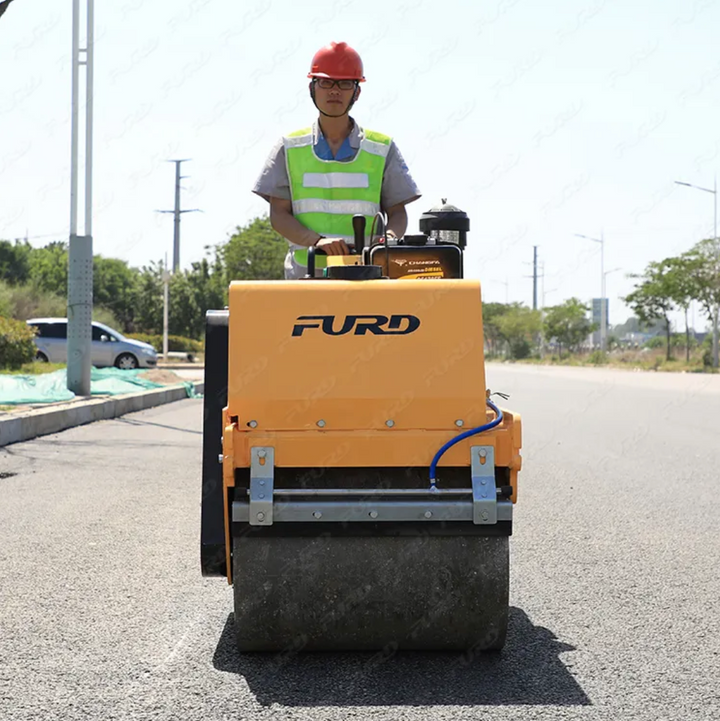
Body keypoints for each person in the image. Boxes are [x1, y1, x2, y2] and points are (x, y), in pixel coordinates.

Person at [252, 41, 421, 278]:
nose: (334, 91)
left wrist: (389, 240)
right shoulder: (288, 147)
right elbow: (278, 215)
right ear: (312, 88)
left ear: (357, 92)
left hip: (369, 276)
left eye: (344, 83)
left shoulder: (382, 148)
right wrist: (318, 241)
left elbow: (397, 213)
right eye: (325, 82)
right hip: (305, 277)